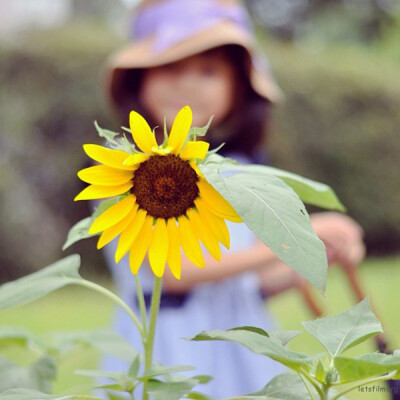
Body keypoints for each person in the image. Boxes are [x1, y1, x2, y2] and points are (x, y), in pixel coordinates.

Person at [100, 0, 366, 398]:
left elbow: (244, 278)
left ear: (238, 89)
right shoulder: (127, 170)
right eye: (171, 67)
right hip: (171, 350)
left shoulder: (237, 172)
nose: (188, 83)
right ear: (141, 81)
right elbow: (175, 275)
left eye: (208, 71)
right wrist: (298, 239)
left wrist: (311, 262)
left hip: (241, 344)